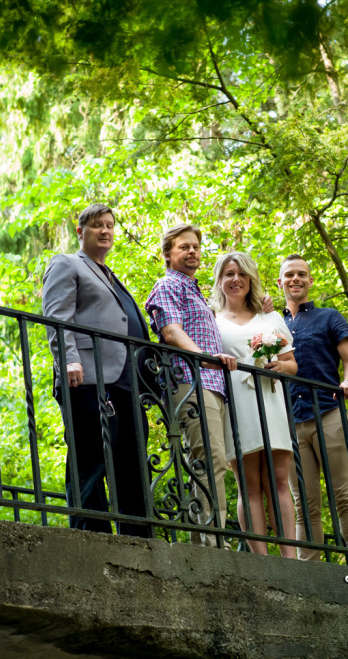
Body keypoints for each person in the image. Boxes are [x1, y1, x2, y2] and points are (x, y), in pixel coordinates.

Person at [42, 203, 152, 538]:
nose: (105, 231)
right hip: (87, 378)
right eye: (96, 226)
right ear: (80, 232)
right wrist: (69, 359)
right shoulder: (67, 263)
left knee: (132, 465)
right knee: (91, 459)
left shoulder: (111, 275)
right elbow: (58, 316)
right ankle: (92, 537)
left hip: (126, 383)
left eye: (109, 225)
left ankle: (139, 539)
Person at [145, 223, 238, 547]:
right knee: (210, 460)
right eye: (184, 247)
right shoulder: (169, 285)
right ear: (169, 254)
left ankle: (206, 541)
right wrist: (206, 358)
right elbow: (171, 332)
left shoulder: (196, 291)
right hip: (190, 380)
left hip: (213, 386)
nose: (192, 252)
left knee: (212, 461)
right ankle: (215, 543)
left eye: (196, 247)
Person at [211, 251, 298, 558]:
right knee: (248, 483)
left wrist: (280, 368)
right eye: (229, 274)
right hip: (237, 401)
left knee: (278, 479)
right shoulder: (212, 319)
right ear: (220, 281)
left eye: (242, 274)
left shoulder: (270, 317)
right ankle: (261, 559)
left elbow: (291, 364)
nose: (236, 280)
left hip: (270, 399)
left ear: (251, 280)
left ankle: (291, 557)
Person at [278, 254, 348, 559]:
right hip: (289, 421)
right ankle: (310, 574)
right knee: (304, 502)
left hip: (327, 412)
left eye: (302, 274)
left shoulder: (329, 316)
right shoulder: (272, 323)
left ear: (310, 280)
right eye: (289, 275)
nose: (296, 279)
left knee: (345, 495)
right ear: (281, 282)